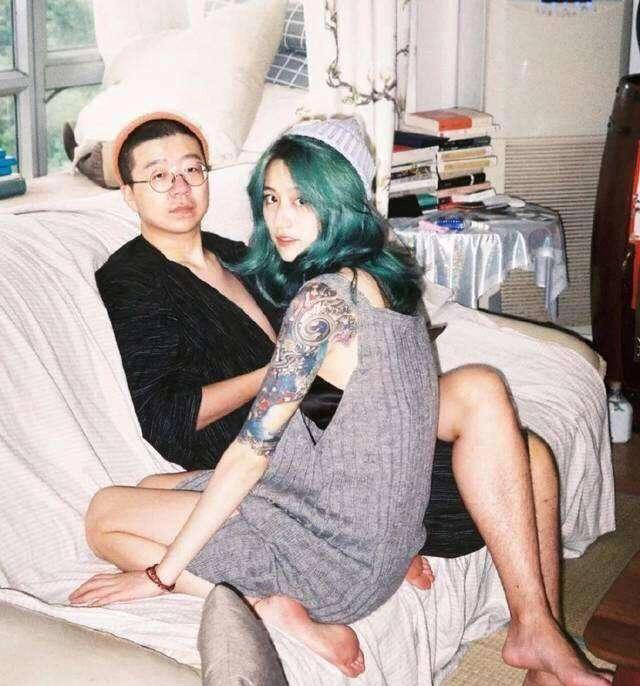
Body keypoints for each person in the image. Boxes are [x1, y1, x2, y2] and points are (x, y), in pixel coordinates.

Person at [70, 114, 611, 686]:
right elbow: (171, 417)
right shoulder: (135, 278)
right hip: (285, 449)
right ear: (128, 192)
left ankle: (538, 632)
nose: (180, 187)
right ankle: (531, 632)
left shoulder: (245, 256)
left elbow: (323, 357)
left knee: (513, 434)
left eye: (191, 170)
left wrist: (159, 575)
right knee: (511, 439)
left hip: (313, 454)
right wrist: (284, 371)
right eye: (158, 176)